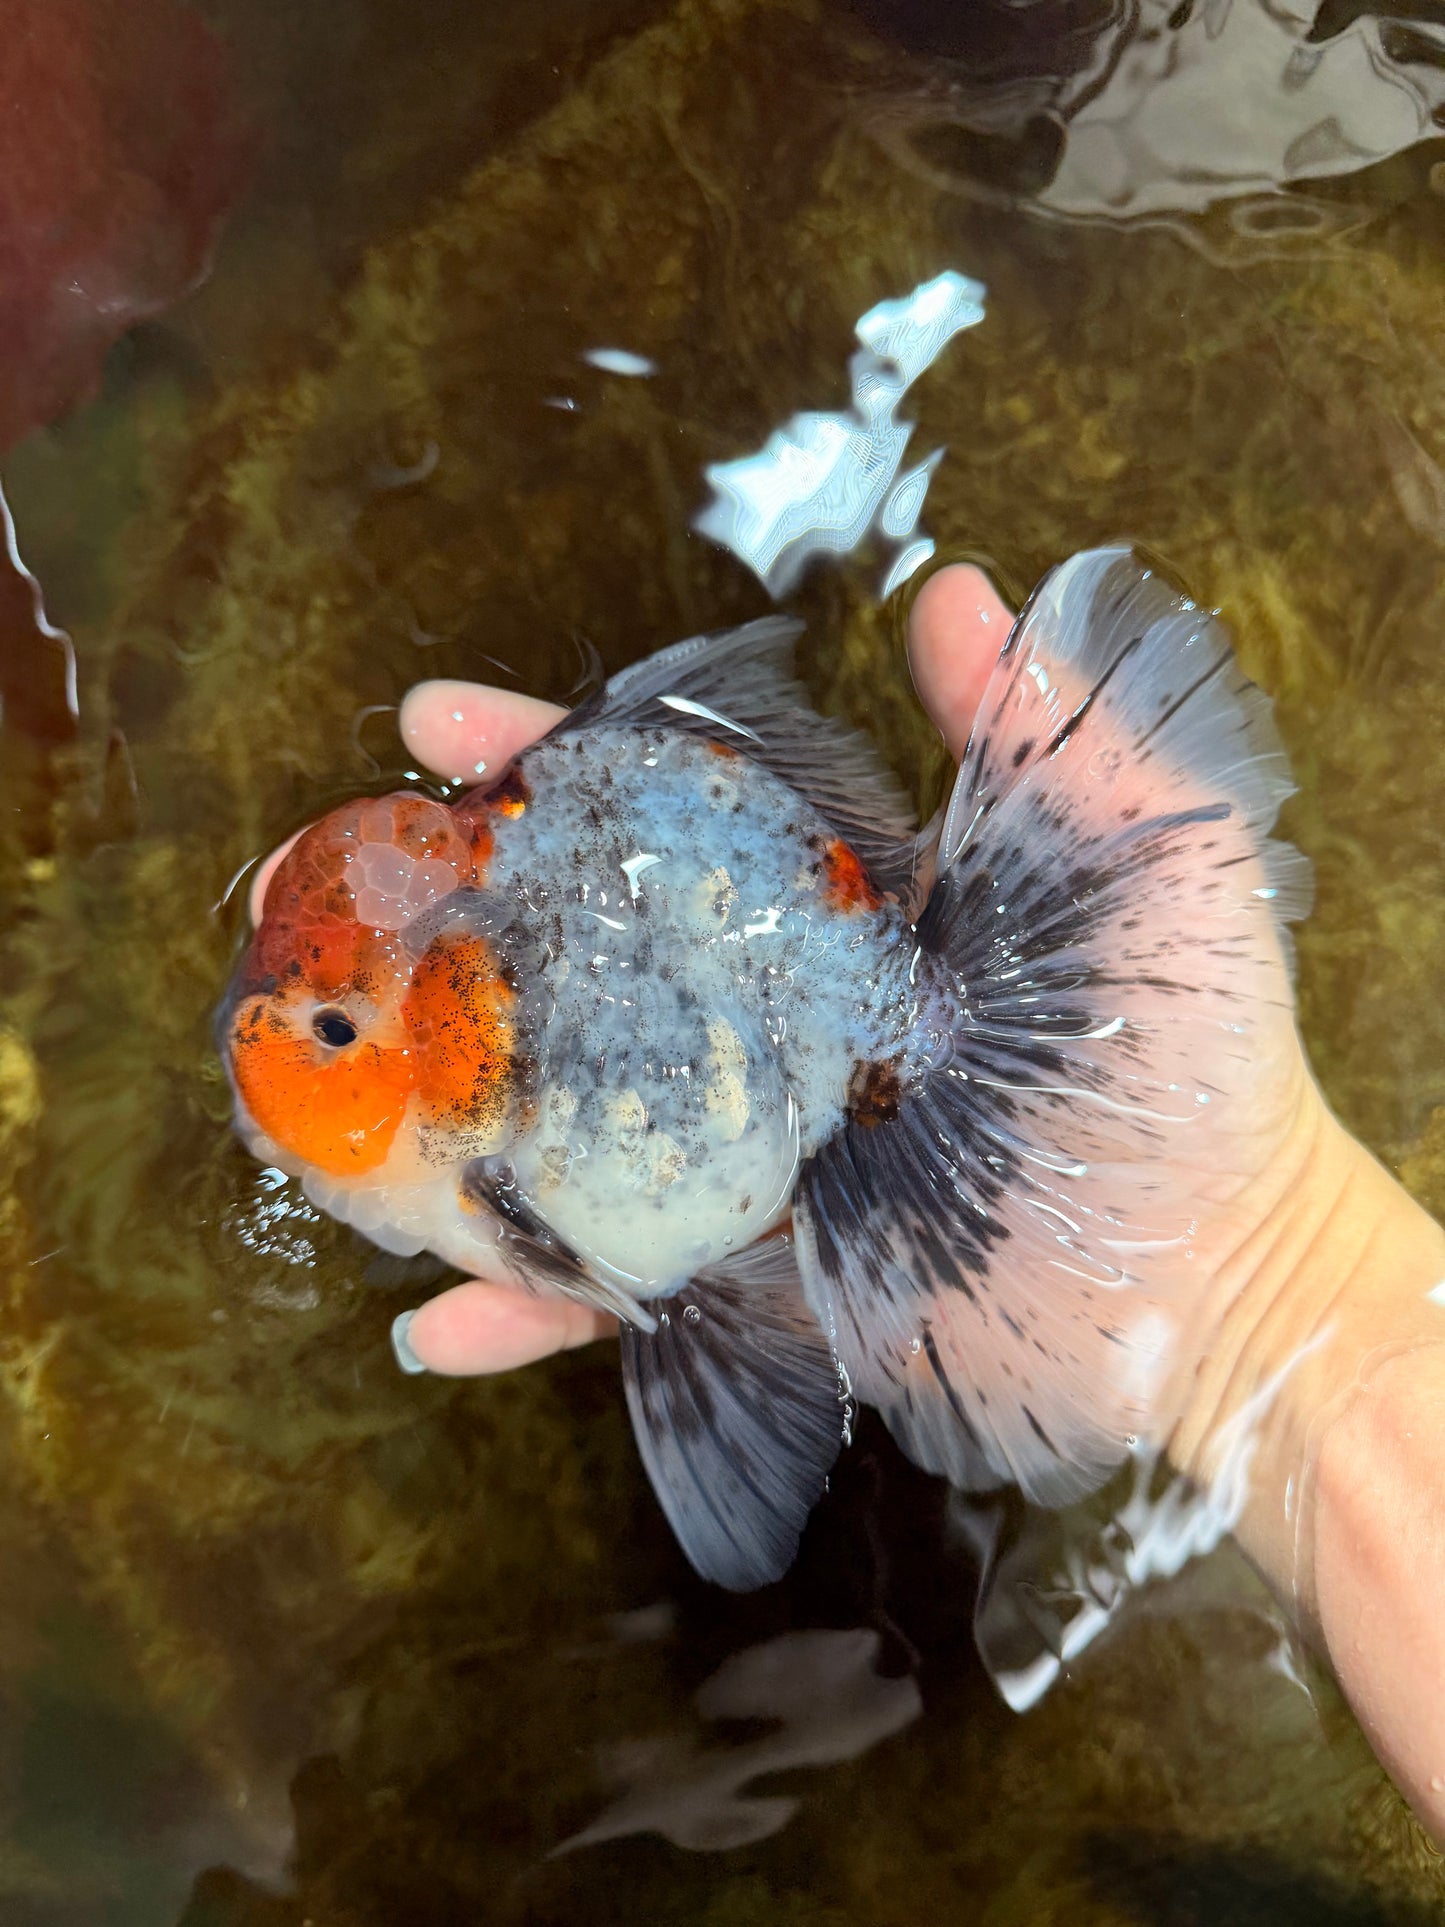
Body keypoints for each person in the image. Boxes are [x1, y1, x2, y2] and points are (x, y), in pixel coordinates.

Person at [251, 565, 1445, 1837]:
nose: (274, 1047)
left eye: (332, 1026)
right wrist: (1264, 1306)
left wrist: (1258, 1291)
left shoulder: (476, 1128)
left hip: (804, 1063)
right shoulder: (467, 1024)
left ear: (460, 1035)